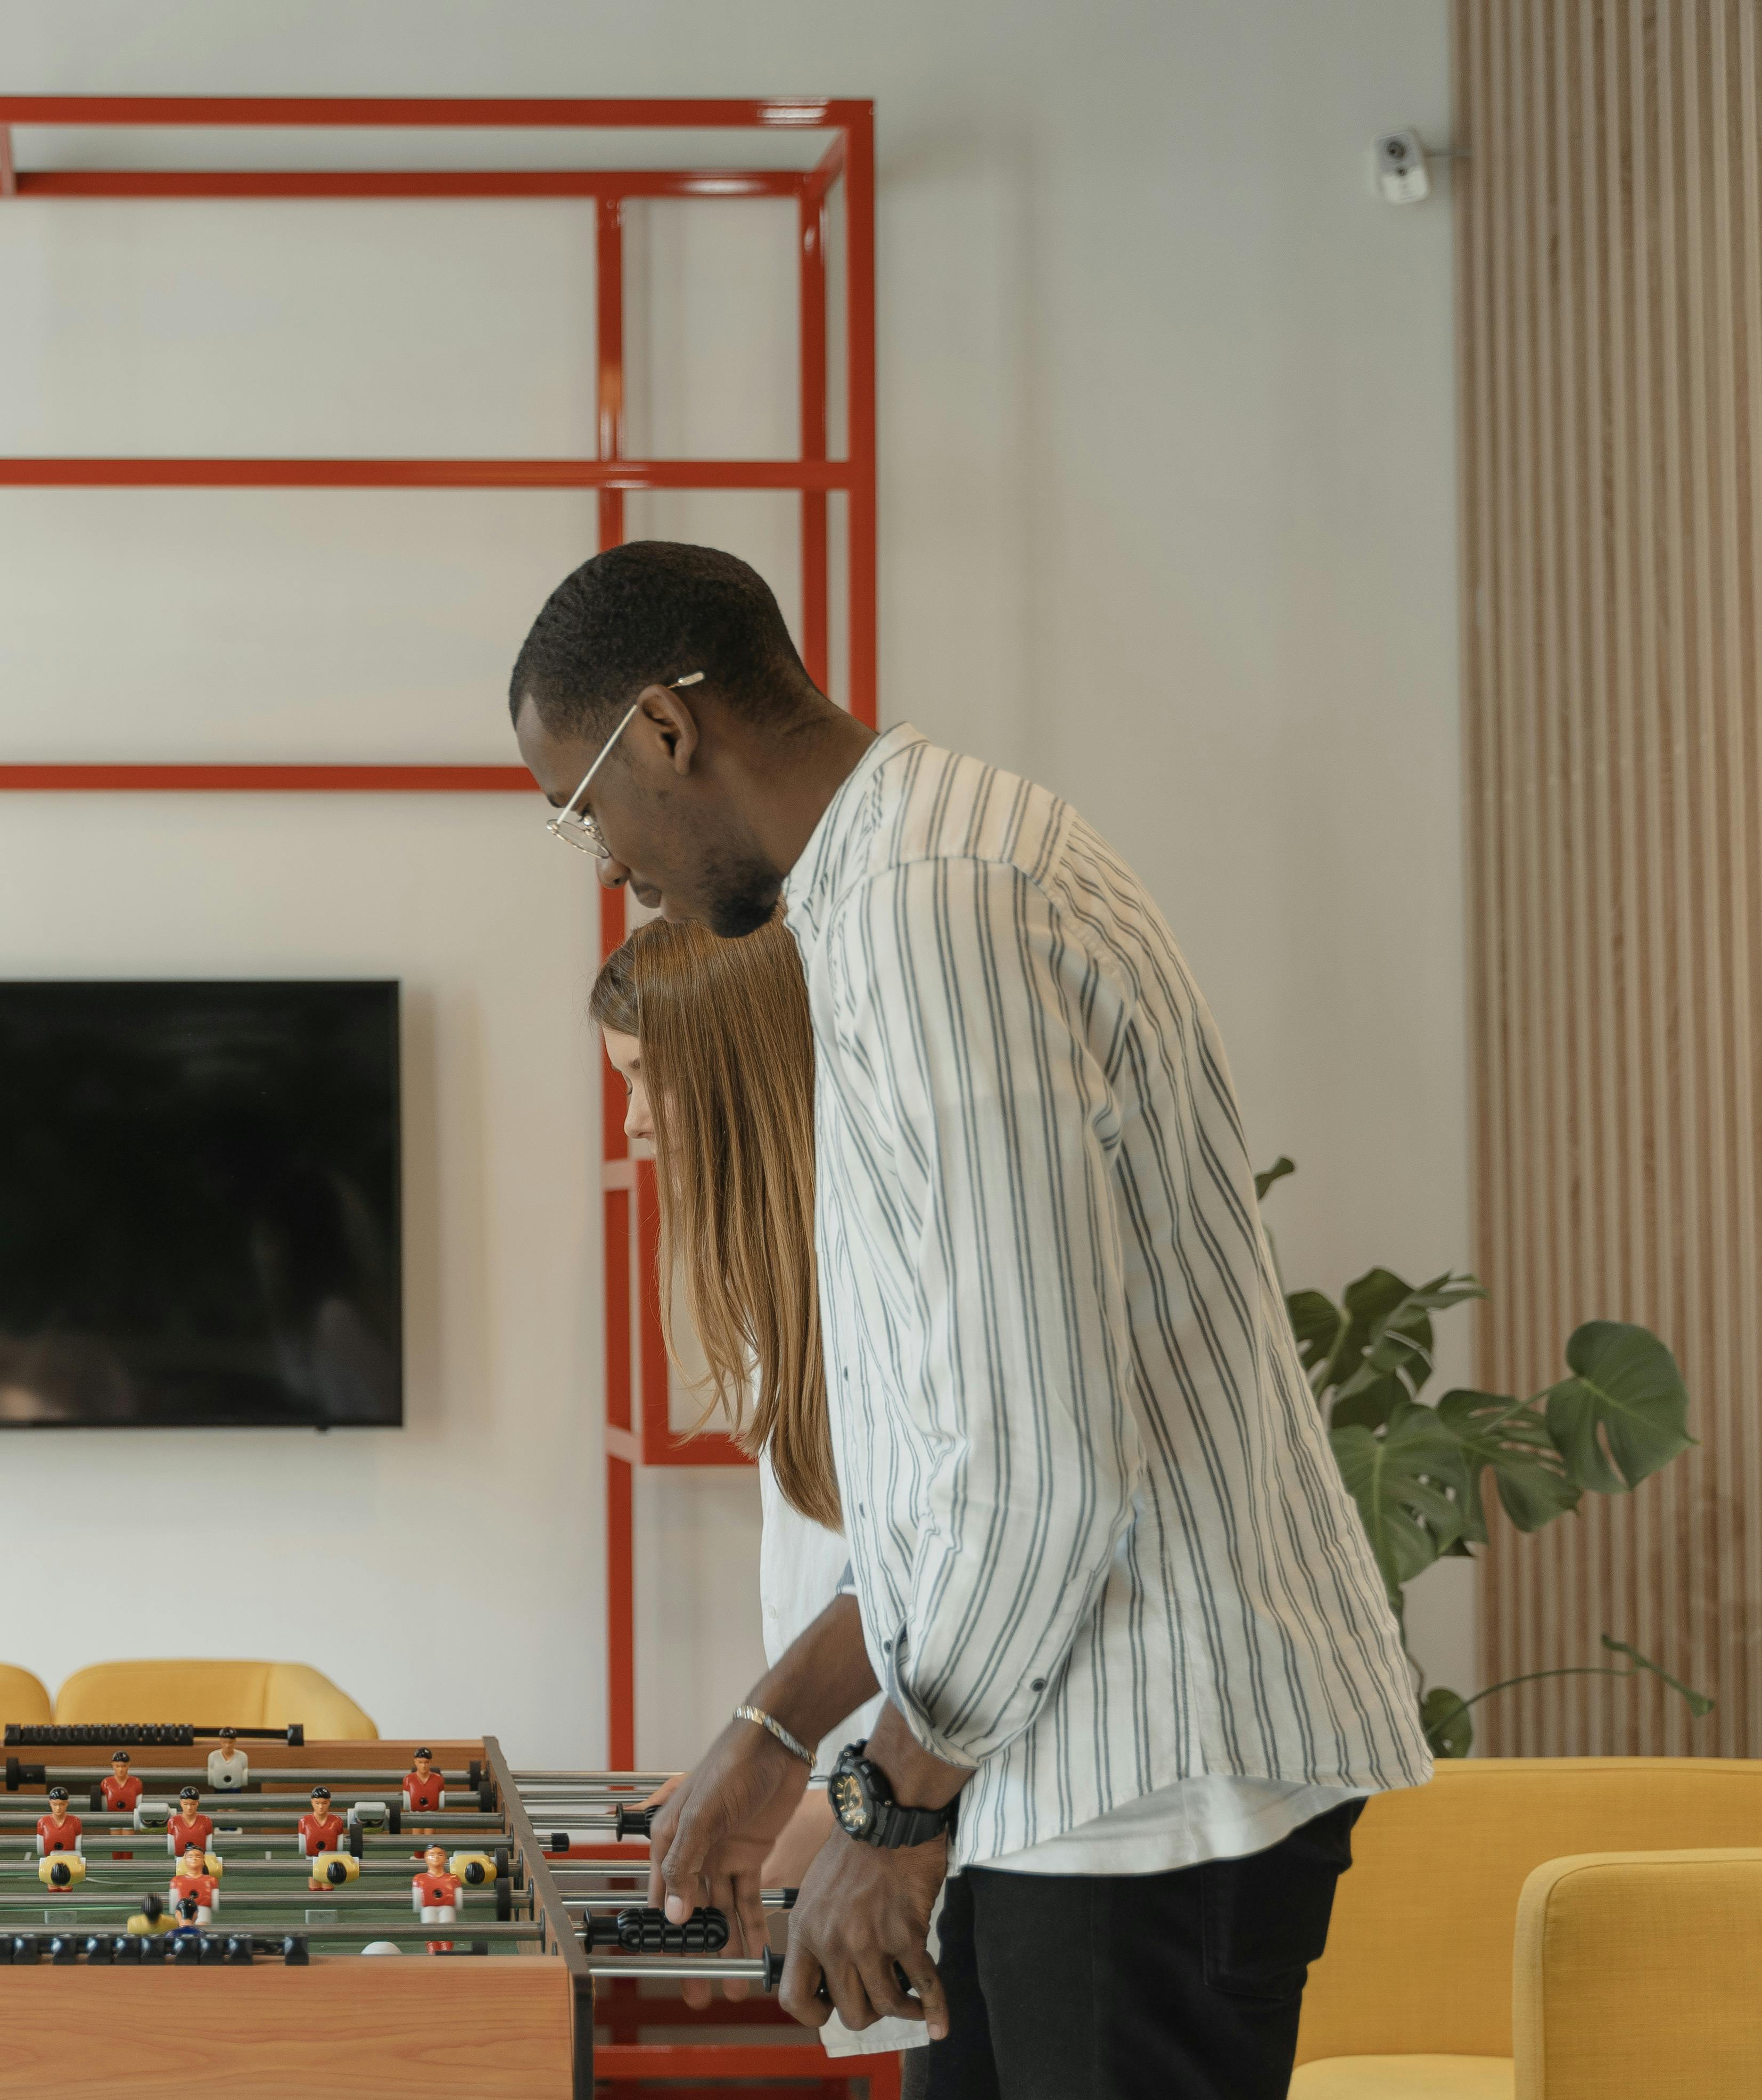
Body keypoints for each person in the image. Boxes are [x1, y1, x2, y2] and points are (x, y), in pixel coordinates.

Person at [510, 542, 1430, 2100]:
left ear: (665, 730)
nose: (603, 862)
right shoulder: (899, 880)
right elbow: (949, 1461)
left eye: (576, 805)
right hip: (1053, 1773)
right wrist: (772, 1727)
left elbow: (1037, 1455)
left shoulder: (933, 909)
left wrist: (893, 1800)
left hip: (1134, 1788)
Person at [589, 914, 913, 2045]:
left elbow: (941, 1580)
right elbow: (846, 1584)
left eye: (645, 1077)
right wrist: (771, 1771)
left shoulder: (877, 1270)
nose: (629, 1118)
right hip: (886, 1805)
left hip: (952, 1822)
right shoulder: (794, 1287)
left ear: (732, 1065)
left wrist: (814, 1782)